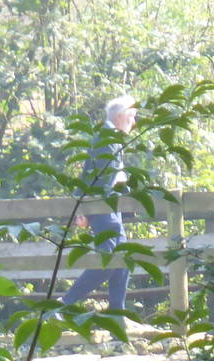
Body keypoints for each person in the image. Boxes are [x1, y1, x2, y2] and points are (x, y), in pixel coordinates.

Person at [61, 95, 139, 314]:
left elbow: (92, 175)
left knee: (122, 257)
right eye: (132, 117)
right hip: (104, 208)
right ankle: (64, 303)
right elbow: (98, 181)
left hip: (110, 208)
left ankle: (117, 312)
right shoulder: (107, 140)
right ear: (121, 116)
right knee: (111, 259)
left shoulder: (110, 138)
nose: (134, 123)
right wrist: (88, 211)